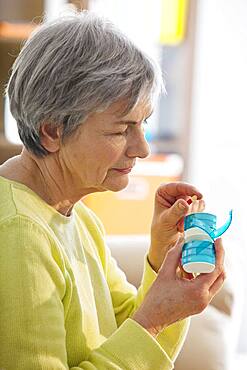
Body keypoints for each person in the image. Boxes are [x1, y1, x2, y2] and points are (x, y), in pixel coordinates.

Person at [0, 10, 225, 370]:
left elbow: (125, 334)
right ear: (52, 131)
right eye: (122, 130)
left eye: (144, 124)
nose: (142, 148)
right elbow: (142, 330)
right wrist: (154, 319)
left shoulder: (77, 216)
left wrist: (162, 255)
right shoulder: (17, 234)